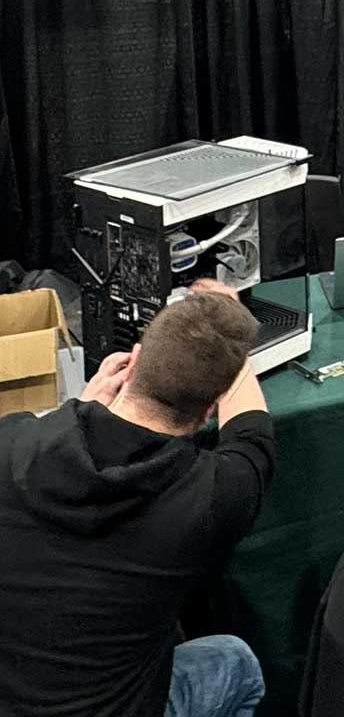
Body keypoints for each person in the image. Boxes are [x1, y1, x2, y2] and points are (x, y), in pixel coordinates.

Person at [0, 285, 274, 717]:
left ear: (131, 363)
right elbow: (251, 430)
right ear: (207, 412)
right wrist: (232, 342)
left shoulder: (12, 440)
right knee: (235, 661)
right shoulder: (214, 494)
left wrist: (81, 407)